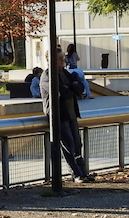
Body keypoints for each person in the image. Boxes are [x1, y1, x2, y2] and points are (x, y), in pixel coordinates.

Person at [39, 48, 91, 183]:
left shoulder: (66, 74)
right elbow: (61, 92)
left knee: (77, 144)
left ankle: (83, 172)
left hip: (71, 113)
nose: (63, 61)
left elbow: (79, 89)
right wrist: (71, 88)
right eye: (60, 59)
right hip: (60, 115)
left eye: (63, 58)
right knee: (68, 145)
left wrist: (72, 88)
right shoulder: (47, 76)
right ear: (50, 60)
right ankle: (76, 174)